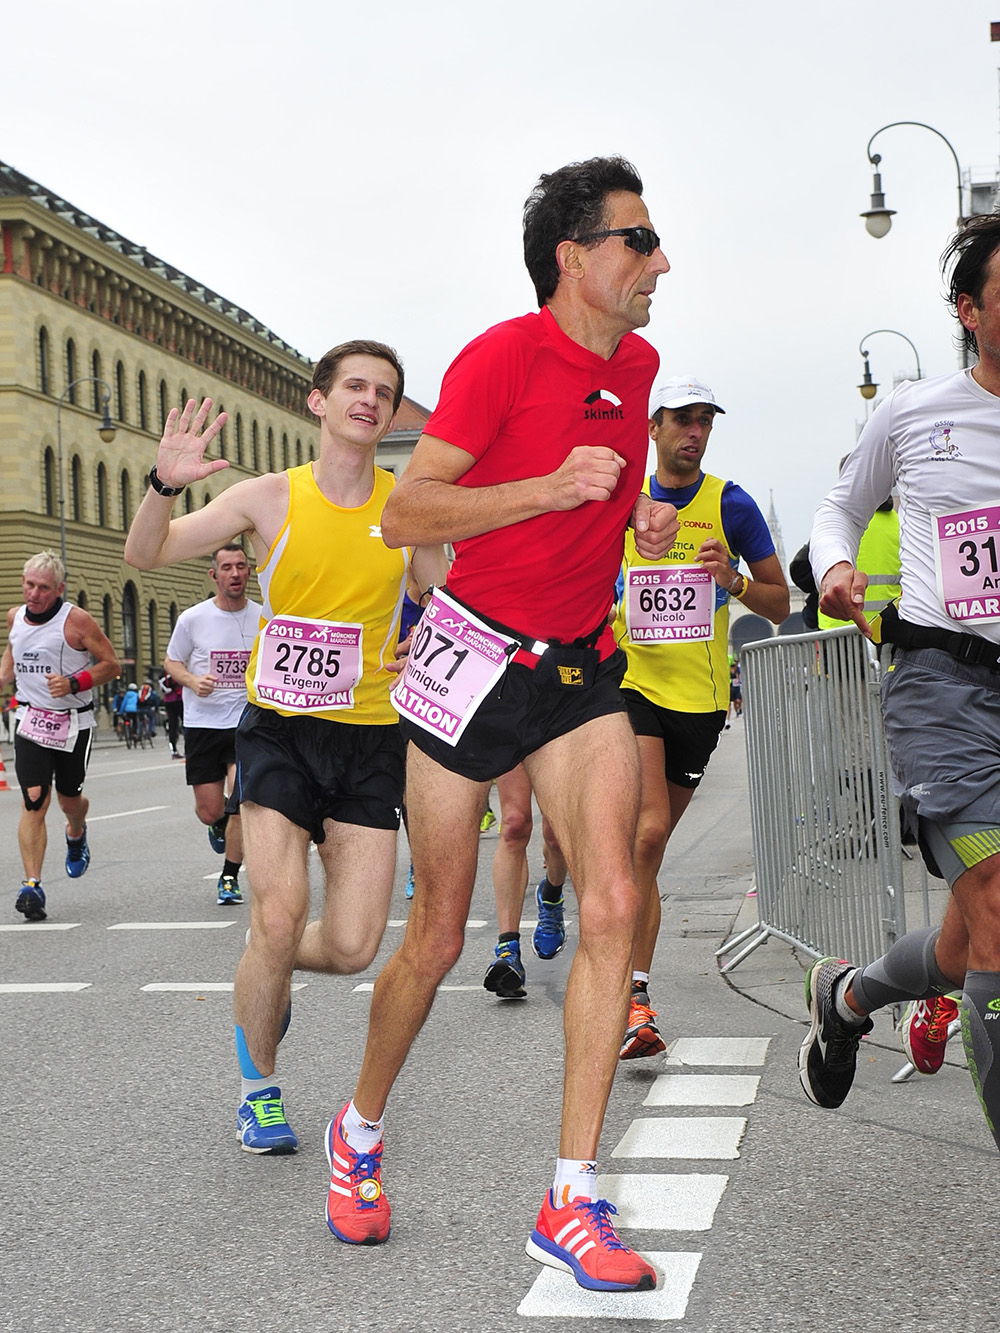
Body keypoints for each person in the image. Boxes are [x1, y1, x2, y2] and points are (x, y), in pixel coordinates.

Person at [340, 156, 677, 1292]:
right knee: (435, 937)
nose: (659, 261)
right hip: (471, 662)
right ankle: (360, 1129)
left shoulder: (639, 366)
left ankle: (570, 1200)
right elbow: (404, 513)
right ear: (574, 257)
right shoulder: (498, 359)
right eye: (638, 241)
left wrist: (648, 524)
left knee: (616, 900)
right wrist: (542, 489)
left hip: (578, 669)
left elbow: (605, 493)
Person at [123, 340, 446, 1161]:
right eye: (356, 387)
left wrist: (427, 636)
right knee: (277, 910)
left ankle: (264, 962)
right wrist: (163, 482)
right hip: (278, 731)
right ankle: (257, 1091)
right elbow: (145, 554)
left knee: (350, 945)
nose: (371, 400)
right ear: (319, 401)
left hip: (372, 738)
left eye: (386, 391)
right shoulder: (268, 497)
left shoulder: (409, 506)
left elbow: (444, 598)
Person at [800, 212, 1000, 1151]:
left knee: (968, 946)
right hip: (942, 688)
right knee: (998, 908)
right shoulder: (917, 411)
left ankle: (848, 997)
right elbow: (837, 506)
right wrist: (834, 567)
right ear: (970, 310)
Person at [611, 377, 788, 1058]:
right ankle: (635, 998)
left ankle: (628, 977)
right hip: (631, 683)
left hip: (701, 698)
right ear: (654, 426)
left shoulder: (730, 504)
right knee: (648, 831)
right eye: (683, 419)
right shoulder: (625, 503)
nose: (695, 431)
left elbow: (776, 604)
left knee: (643, 852)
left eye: (705, 420)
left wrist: (734, 580)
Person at [0, 551, 120, 920]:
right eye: (29, 585)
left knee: (70, 801)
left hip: (74, 723)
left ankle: (77, 829)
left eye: (44, 588)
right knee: (34, 799)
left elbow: (111, 665)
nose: (34, 594)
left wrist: (73, 682)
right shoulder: (15, 617)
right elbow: (13, 655)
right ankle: (32, 886)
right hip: (32, 720)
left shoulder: (77, 622)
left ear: (60, 589)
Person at [164, 545, 261, 905]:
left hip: (246, 724)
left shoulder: (264, 616)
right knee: (210, 810)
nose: (234, 573)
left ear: (248, 572)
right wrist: (190, 681)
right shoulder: (193, 619)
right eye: (226, 568)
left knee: (240, 801)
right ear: (214, 575)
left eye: (240, 566)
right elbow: (172, 661)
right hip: (203, 724)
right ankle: (219, 824)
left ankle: (229, 877)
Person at [483, 764, 570, 999]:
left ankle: (551, 895)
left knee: (556, 835)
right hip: (510, 727)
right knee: (514, 825)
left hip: (556, 729)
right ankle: (507, 949)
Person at [161, 670, 184, 759]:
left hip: (168, 702)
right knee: (186, 724)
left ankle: (173, 751)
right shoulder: (179, 671)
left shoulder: (164, 674)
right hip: (179, 699)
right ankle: (187, 748)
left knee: (172, 726)